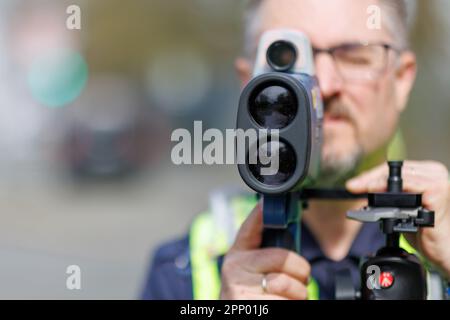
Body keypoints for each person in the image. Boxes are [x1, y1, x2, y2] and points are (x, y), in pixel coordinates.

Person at [142, 0, 450, 300]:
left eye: (355, 57)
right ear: (247, 85)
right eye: (287, 60)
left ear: (402, 79)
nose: (324, 86)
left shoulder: (444, 233)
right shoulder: (185, 271)